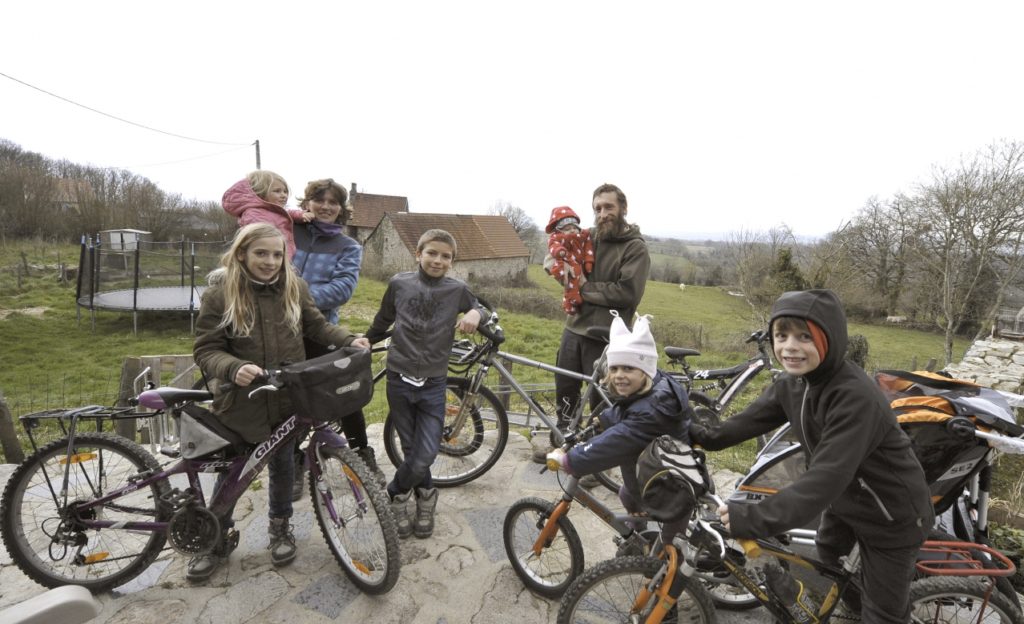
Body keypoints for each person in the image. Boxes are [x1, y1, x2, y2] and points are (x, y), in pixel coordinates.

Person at [689, 289, 933, 623]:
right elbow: (741, 425)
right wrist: (694, 435)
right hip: (846, 503)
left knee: (884, 614)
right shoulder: (794, 383)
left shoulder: (854, 396)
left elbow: (825, 478)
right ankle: (854, 610)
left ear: (829, 339)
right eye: (781, 335)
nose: (790, 346)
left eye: (805, 336)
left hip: (890, 516)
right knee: (831, 561)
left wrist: (754, 516)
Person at [191, 222, 370, 581]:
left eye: (277, 254)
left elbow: (316, 327)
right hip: (241, 402)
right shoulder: (220, 294)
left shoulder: (295, 286)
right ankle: (216, 536)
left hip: (289, 397)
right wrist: (233, 367)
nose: (270, 261)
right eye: (261, 253)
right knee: (233, 471)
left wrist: (349, 339)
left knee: (285, 464)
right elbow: (207, 349)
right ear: (242, 253)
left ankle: (280, 526)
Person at [364, 229, 487, 540]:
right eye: (431, 253)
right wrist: (364, 340)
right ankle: (425, 498)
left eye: (446, 256)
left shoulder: (457, 289)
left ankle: (395, 493)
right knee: (410, 447)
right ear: (418, 254)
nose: (438, 260)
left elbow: (485, 309)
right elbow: (383, 319)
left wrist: (475, 312)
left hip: (433, 383)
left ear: (452, 261)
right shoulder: (398, 283)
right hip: (398, 377)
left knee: (426, 452)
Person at [545, 312, 691, 544]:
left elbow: (613, 443)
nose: (619, 376)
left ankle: (675, 571)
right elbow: (625, 409)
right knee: (627, 493)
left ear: (645, 370)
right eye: (614, 369)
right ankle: (639, 532)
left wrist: (570, 460)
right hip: (654, 472)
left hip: (674, 490)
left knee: (668, 555)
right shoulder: (649, 388)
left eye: (628, 369)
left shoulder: (650, 411)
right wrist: (600, 421)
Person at [533, 183, 651, 466]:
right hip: (574, 327)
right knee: (565, 390)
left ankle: (596, 462)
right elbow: (558, 250)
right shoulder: (588, 237)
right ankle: (564, 445)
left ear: (623, 208)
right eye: (598, 208)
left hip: (607, 335)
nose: (603, 213)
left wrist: (584, 289)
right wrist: (554, 262)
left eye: (609, 207)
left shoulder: (635, 248)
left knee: (602, 400)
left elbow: (627, 293)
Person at [291, 178, 382, 497]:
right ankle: (291, 462)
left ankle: (360, 454)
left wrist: (292, 298)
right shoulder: (289, 231)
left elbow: (342, 288)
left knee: (343, 392)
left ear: (342, 209)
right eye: (319, 200)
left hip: (320, 329)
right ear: (307, 203)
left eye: (333, 202)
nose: (326, 206)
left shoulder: (348, 247)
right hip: (279, 332)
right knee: (287, 399)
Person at [222, 170, 311, 260]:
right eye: (277, 191)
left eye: (285, 191)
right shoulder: (254, 214)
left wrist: (301, 214)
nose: (284, 195)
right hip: (270, 259)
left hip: (282, 256)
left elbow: (288, 213)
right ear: (260, 193)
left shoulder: (273, 211)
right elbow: (261, 237)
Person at [544, 206, 595, 315]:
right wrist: (560, 252)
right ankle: (571, 299)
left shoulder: (585, 235)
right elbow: (553, 247)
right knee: (571, 280)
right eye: (567, 229)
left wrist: (588, 260)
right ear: (559, 230)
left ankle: (569, 303)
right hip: (569, 261)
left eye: (574, 227)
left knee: (574, 279)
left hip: (582, 265)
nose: (572, 230)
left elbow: (588, 248)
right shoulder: (560, 238)